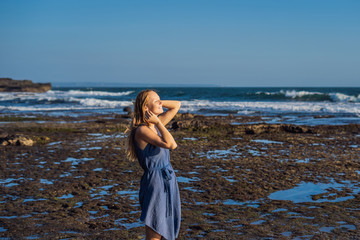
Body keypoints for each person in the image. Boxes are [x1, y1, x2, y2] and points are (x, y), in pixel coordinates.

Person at [126, 90, 181, 240]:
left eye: (159, 99)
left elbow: (176, 105)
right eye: (155, 100)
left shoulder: (154, 126)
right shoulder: (143, 130)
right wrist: (157, 122)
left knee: (167, 228)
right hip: (155, 182)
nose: (160, 102)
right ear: (145, 107)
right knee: (155, 232)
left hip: (168, 178)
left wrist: (158, 104)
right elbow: (171, 144)